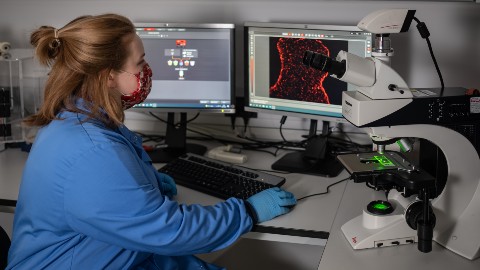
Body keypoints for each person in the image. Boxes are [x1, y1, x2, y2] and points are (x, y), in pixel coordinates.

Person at [6, 14, 297, 270]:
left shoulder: (73, 115)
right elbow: (171, 232)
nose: (147, 70)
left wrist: (148, 184)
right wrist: (246, 211)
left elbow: (103, 198)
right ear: (108, 77)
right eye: (140, 62)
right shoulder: (93, 149)